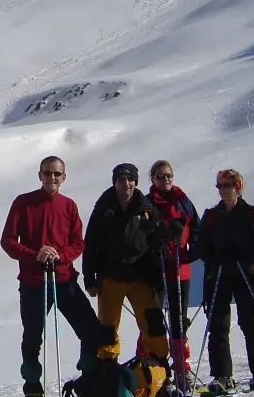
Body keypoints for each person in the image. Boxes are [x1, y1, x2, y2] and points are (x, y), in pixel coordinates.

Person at [1, 156, 102, 397]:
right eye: (47, 173)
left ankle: (87, 378)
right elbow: (7, 241)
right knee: (33, 336)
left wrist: (60, 255)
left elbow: (78, 242)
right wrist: (36, 254)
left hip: (64, 279)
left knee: (91, 330)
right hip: (34, 282)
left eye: (57, 174)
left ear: (64, 178)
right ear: (40, 175)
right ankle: (33, 385)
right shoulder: (23, 203)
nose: (52, 178)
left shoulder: (68, 205)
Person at [83, 163, 173, 387]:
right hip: (111, 276)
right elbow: (91, 243)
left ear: (136, 182)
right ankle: (108, 373)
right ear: (115, 182)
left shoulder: (146, 208)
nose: (126, 184)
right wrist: (90, 278)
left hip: (140, 277)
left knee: (153, 323)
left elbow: (157, 240)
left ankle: (159, 370)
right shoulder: (104, 207)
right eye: (122, 180)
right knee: (107, 328)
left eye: (130, 179)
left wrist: (170, 236)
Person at [197, 169, 254, 393]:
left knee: (250, 321)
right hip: (219, 273)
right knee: (218, 325)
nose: (223, 189)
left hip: (244, 272)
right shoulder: (211, 215)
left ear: (238, 186)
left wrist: (244, 257)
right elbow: (201, 246)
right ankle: (222, 375)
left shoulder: (250, 213)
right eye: (220, 185)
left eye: (228, 185)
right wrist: (214, 258)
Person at [140, 159, 201, 393]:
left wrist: (190, 250)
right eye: (160, 176)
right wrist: (157, 243)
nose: (165, 180)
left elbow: (197, 227)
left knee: (178, 318)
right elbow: (142, 233)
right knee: (153, 319)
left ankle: (181, 368)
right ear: (153, 179)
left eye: (168, 176)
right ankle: (152, 367)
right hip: (157, 268)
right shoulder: (146, 203)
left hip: (179, 267)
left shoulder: (182, 200)